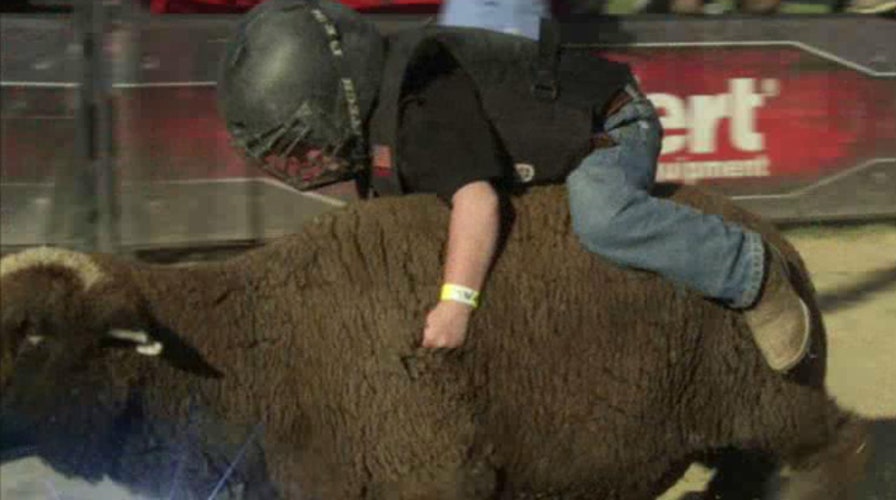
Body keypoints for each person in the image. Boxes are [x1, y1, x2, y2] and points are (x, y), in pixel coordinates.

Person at [217, 0, 810, 372]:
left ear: (342, 97)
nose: (308, 158)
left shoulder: (421, 109)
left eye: (306, 139)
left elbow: (477, 201)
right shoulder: (382, 106)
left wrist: (457, 304)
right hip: (537, 149)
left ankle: (750, 274)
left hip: (608, 122)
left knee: (604, 217)